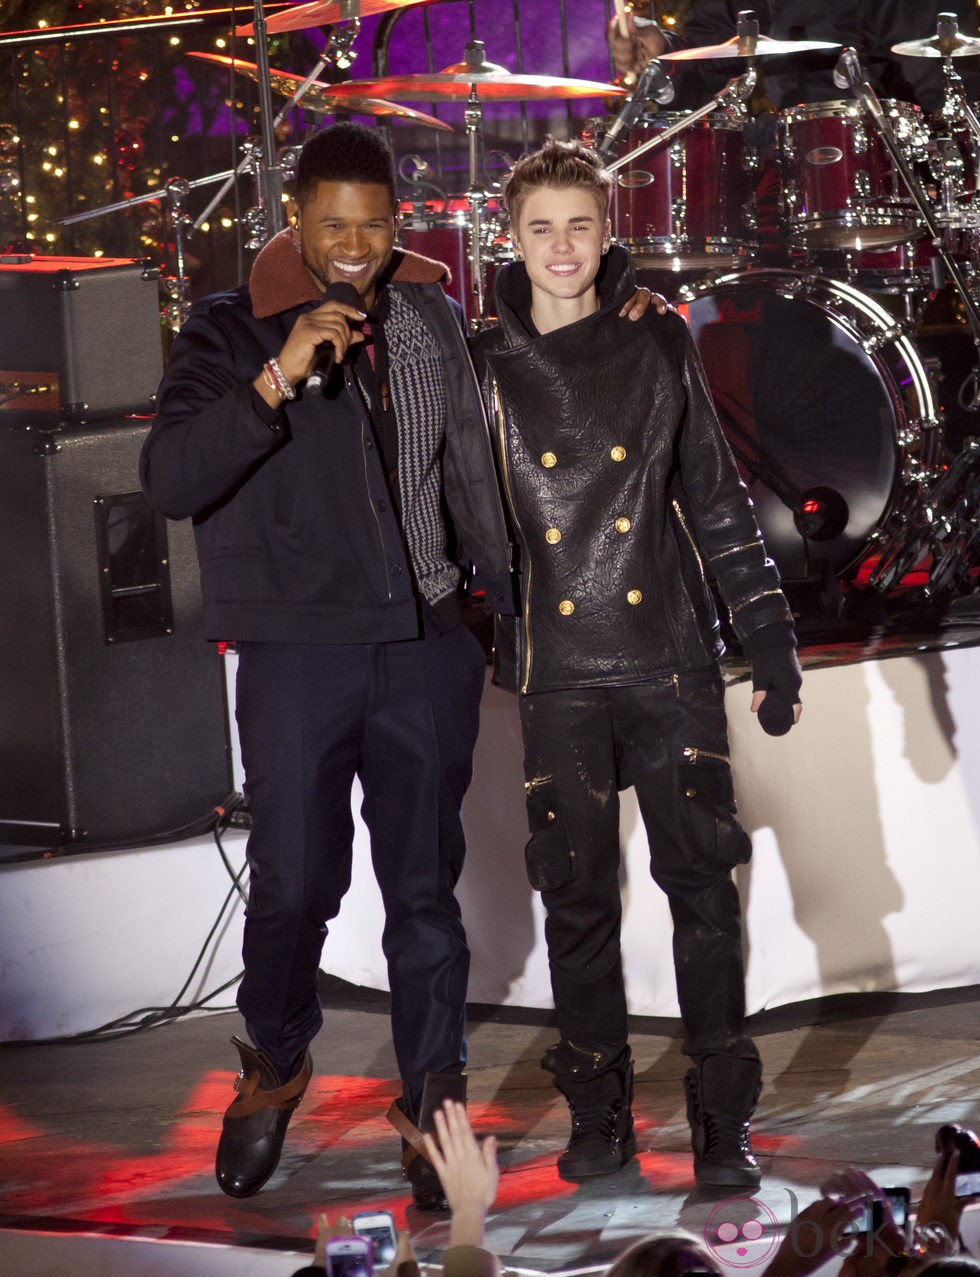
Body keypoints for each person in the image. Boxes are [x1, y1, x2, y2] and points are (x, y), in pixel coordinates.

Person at [140, 121, 657, 1208]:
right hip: (297, 656)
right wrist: (275, 379)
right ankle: (276, 1057)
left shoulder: (426, 317)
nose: (354, 246)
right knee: (294, 882)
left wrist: (621, 307)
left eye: (373, 226)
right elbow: (173, 477)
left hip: (425, 648)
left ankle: (431, 1107)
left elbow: (521, 382)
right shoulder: (229, 330)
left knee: (424, 895)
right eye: (333, 226)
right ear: (294, 220)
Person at [470, 138, 803, 1189]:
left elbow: (713, 500)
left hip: (664, 661)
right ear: (509, 239)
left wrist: (770, 641)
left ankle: (717, 1121)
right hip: (559, 665)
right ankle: (600, 1114)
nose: (560, 245)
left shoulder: (658, 348)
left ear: (608, 233)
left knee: (700, 886)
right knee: (574, 895)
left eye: (580, 224)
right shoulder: (481, 367)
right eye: (540, 227)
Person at [607, 1, 980, 113]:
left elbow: (944, 81)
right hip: (782, 189)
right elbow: (710, 52)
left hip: (899, 186)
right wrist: (666, 53)